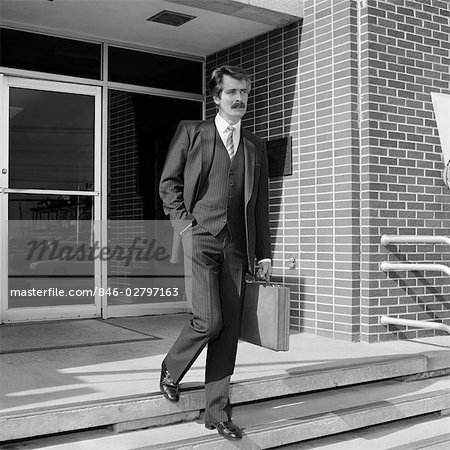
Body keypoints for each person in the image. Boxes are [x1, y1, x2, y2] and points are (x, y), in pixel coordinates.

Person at [159, 65, 272, 441]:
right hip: (200, 237)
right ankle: (172, 369)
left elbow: (260, 206)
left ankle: (217, 412)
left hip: (237, 247)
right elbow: (168, 184)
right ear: (216, 96)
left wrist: (265, 253)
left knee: (228, 330)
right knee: (208, 321)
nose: (239, 99)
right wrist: (185, 227)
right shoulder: (193, 132)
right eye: (232, 92)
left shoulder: (255, 145)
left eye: (244, 92)